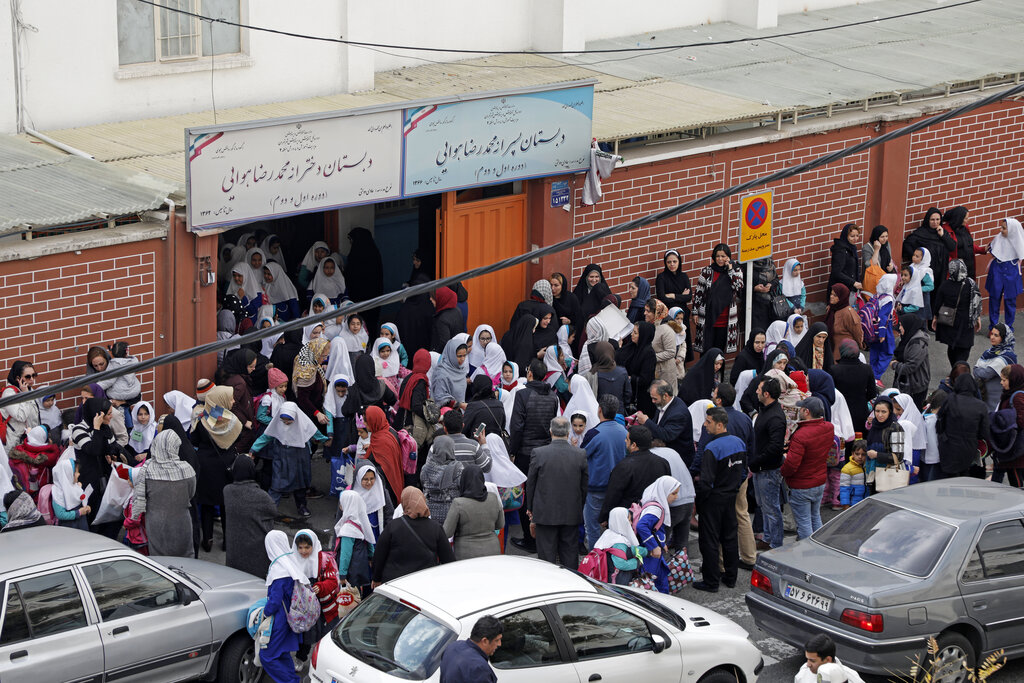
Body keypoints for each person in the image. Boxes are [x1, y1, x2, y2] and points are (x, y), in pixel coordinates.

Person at [692, 408, 746, 592]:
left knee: (709, 541)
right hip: (731, 497)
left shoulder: (712, 448)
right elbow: (743, 472)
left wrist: (701, 501)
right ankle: (731, 577)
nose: (705, 425)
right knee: (730, 538)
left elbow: (706, 480)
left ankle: (711, 581)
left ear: (719, 424)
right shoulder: (739, 443)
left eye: (708, 422)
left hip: (713, 500)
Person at [508, 360, 559, 552]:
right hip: (546, 450)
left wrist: (512, 450)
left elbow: (517, 426)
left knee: (526, 494)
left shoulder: (523, 395)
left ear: (529, 374)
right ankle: (541, 535)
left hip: (525, 453)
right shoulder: (553, 397)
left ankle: (529, 538)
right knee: (541, 492)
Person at [525, 417, 589, 567]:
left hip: (545, 514)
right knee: (570, 556)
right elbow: (584, 486)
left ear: (550, 431)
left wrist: (531, 508)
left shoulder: (539, 453)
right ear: (568, 433)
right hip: (571, 513)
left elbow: (531, 484)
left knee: (546, 559)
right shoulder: (580, 454)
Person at [130, 430, 196, 557]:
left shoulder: (147, 470)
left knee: (160, 561)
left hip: (156, 523)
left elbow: (140, 495)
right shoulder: (187, 469)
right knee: (185, 558)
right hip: (182, 522)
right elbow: (191, 493)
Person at [372, 487, 456, 585]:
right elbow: (448, 559)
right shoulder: (436, 528)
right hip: (425, 583)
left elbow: (379, 555)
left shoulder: (393, 526)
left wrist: (376, 578)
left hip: (395, 584)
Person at [781, 398, 832, 540]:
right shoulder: (828, 427)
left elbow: (791, 464)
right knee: (815, 517)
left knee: (804, 524)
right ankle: (820, 548)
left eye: (801, 408)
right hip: (819, 481)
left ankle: (809, 554)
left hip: (802, 485)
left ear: (806, 411)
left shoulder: (801, 435)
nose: (799, 411)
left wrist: (783, 472)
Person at [581, 394, 627, 548]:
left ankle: (596, 560)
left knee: (592, 526)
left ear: (599, 410)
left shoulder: (595, 433)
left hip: (597, 487)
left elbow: (582, 456)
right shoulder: (624, 432)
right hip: (619, 488)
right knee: (615, 527)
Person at [600, 425, 670, 523]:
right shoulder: (663, 463)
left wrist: (604, 517)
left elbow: (613, 495)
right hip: (653, 517)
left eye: (627, 439)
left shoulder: (624, 466)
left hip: (629, 518)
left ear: (634, 445)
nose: (625, 441)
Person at [261, 530, 305, 683]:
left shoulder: (279, 570)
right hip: (291, 618)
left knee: (267, 656)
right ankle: (293, 679)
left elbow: (274, 601)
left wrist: (265, 613)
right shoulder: (290, 563)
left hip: (280, 620)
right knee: (282, 652)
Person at [223, 454, 277, 577]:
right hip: (256, 551)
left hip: (234, 552)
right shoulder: (261, 495)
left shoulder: (227, 491)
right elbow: (273, 510)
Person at [292, 529, 340, 666]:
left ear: (314, 545)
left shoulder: (324, 560)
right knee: (306, 636)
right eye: (300, 547)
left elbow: (332, 581)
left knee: (325, 635)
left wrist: (321, 586)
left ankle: (324, 662)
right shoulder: (292, 560)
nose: (303, 551)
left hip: (323, 606)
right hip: (303, 607)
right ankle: (301, 658)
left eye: (307, 547)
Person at [750, 378, 787, 550]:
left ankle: (775, 543)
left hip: (768, 470)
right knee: (764, 507)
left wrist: (755, 460)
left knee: (771, 508)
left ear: (766, 394)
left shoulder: (775, 417)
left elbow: (775, 447)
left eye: (758, 389)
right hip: (760, 468)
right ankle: (767, 537)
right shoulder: (765, 410)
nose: (756, 391)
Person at [443, 465, 504, 559]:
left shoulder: (458, 503)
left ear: (463, 481)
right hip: (492, 550)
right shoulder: (493, 498)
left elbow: (447, 532)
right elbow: (500, 524)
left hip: (466, 554)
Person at [693, 243, 744, 354]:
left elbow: (738, 287)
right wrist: (695, 312)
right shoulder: (707, 271)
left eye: (723, 256)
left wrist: (730, 270)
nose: (720, 259)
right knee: (706, 351)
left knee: (719, 352)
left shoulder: (736, 270)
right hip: (708, 318)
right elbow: (699, 293)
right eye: (717, 256)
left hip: (726, 319)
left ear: (728, 257)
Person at [936, 374, 991, 478]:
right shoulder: (980, 406)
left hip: (948, 447)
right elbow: (984, 433)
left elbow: (939, 424)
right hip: (968, 449)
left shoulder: (949, 400)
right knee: (965, 478)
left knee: (948, 479)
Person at [635, 475, 682, 594]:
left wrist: (661, 544)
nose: (676, 497)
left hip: (654, 551)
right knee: (652, 582)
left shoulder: (653, 502)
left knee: (657, 580)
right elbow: (642, 526)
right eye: (673, 493)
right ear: (664, 492)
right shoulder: (656, 509)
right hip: (651, 554)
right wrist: (654, 546)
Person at [933, 258, 981, 369]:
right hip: (965, 321)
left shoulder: (945, 285)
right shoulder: (970, 284)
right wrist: (977, 318)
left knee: (952, 346)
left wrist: (935, 317)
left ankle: (955, 368)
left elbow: (938, 303)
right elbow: (976, 302)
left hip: (950, 320)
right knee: (965, 347)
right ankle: (959, 369)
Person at [637, 379, 696, 468]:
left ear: (665, 396)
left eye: (654, 398)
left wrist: (646, 421)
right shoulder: (663, 403)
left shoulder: (678, 413)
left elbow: (666, 435)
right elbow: (657, 423)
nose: (652, 401)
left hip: (678, 460)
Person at [903, 207, 957, 289]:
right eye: (932, 220)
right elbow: (907, 244)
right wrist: (916, 257)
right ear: (928, 220)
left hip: (941, 271)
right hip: (927, 272)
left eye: (937, 219)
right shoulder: (920, 233)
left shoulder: (942, 232)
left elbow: (952, 247)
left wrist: (943, 236)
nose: (935, 222)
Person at [986, 217, 1024, 330]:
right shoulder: (998, 238)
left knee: (1010, 300)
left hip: (1011, 270)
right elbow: (992, 249)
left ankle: (1008, 328)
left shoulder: (1019, 241)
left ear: (1012, 230)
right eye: (1001, 227)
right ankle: (993, 326)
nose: (1001, 230)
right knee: (994, 298)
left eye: (1004, 228)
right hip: (997, 269)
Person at [592, 507, 648, 584]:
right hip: (618, 581)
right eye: (629, 520)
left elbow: (628, 550)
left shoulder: (608, 534)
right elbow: (621, 564)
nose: (631, 523)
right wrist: (637, 562)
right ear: (622, 521)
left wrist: (645, 551)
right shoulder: (619, 542)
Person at [439, 615, 502, 683]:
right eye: (497, 640)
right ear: (484, 641)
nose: (499, 644)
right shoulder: (479, 668)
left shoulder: (452, 647)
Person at [334, 490, 375, 591]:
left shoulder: (348, 528)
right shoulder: (362, 520)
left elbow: (345, 554)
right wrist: (371, 557)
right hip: (362, 567)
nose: (340, 506)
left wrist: (342, 575)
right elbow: (369, 540)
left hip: (352, 572)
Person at [655, 250, 693, 358]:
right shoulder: (661, 278)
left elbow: (689, 297)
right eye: (669, 262)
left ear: (679, 262)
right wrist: (681, 296)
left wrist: (672, 295)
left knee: (683, 343)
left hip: (682, 315)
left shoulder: (684, 277)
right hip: (669, 316)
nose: (672, 264)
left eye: (674, 261)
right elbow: (662, 298)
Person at [421, 435, 465, 523]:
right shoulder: (458, 469)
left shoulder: (426, 468)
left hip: (429, 512)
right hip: (452, 513)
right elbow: (463, 489)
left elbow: (423, 485)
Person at [890, 313, 930, 409]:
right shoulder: (907, 337)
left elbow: (910, 367)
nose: (899, 328)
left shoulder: (917, 343)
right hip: (904, 381)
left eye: (901, 325)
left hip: (915, 385)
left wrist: (895, 365)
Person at [974, 325, 1017, 410]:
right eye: (991, 334)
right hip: (984, 393)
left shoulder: (1008, 356)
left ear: (1004, 338)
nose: (992, 337)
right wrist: (977, 371)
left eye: (996, 335)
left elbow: (985, 374)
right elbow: (976, 370)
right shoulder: (989, 352)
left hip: (995, 398)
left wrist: (977, 370)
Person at [795, 634, 865, 683]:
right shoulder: (804, 671)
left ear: (828, 660)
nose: (808, 664)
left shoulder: (853, 679)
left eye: (812, 661)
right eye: (807, 659)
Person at [2, 361, 40, 450]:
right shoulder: (9, 393)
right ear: (18, 378)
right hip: (14, 442)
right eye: (28, 376)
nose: (32, 379)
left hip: (29, 438)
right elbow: (21, 416)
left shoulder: (29, 389)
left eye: (34, 375)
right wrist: (25, 395)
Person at [867, 274, 898, 380]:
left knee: (874, 351)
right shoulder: (888, 299)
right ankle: (876, 376)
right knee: (887, 352)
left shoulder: (876, 295)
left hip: (872, 328)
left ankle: (871, 373)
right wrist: (882, 334)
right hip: (884, 328)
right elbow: (883, 317)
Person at [351, 463, 392, 541]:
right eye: (365, 479)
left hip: (377, 532)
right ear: (359, 478)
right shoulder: (351, 494)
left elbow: (389, 514)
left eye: (372, 479)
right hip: (359, 535)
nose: (369, 482)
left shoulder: (381, 492)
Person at [585, 341, 631, 411]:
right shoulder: (622, 372)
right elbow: (628, 394)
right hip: (619, 413)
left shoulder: (592, 374)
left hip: (600, 414)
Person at [50, 457, 90, 530]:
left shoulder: (74, 486)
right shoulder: (58, 492)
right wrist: (79, 513)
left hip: (81, 523)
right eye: (76, 472)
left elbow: (81, 500)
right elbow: (60, 514)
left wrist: (86, 507)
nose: (78, 474)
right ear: (67, 474)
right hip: (69, 527)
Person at [431, 337, 470, 410]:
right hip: (445, 416)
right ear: (451, 354)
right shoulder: (441, 373)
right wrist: (460, 405)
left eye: (464, 355)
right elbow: (440, 398)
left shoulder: (461, 369)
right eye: (459, 356)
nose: (463, 359)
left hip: (460, 413)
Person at [825, 284, 863, 360]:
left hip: (842, 352)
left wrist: (859, 346)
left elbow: (857, 332)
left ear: (842, 297)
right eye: (831, 294)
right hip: (830, 348)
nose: (831, 297)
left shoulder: (848, 313)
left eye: (835, 295)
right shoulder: (831, 309)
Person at [828, 223, 862, 300]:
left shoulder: (852, 248)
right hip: (840, 290)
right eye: (852, 236)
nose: (855, 239)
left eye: (857, 236)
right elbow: (836, 272)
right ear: (845, 236)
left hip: (850, 289)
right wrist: (853, 282)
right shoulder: (840, 251)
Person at [431, 286, 465, 353]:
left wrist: (434, 354)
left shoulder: (441, 319)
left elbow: (443, 343)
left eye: (433, 298)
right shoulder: (457, 310)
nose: (430, 299)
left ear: (441, 299)